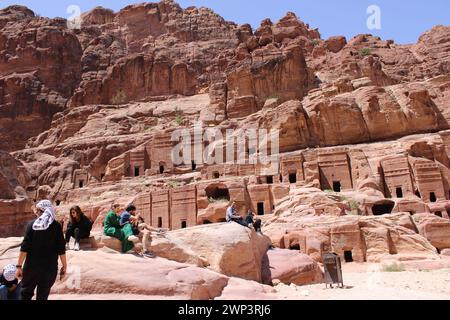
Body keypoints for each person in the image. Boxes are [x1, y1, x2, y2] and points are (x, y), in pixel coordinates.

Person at [16, 200, 67, 300]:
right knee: (43, 296)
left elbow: (24, 247)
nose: (36, 213)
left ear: (40, 211)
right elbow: (61, 249)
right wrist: (64, 266)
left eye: (37, 210)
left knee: (25, 294)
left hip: (31, 268)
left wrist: (18, 266)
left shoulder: (32, 225)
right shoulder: (56, 227)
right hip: (49, 269)